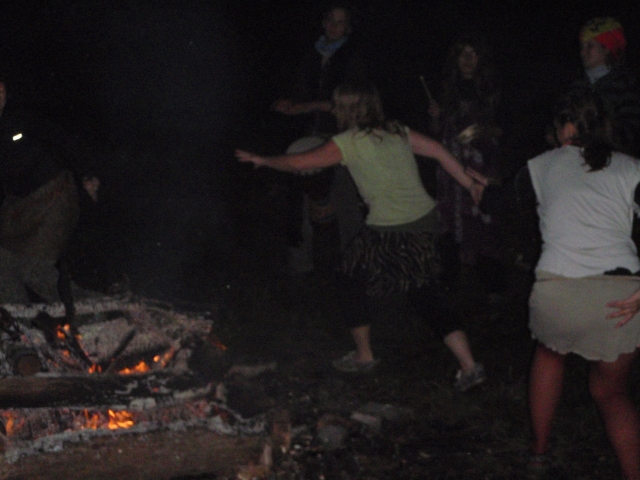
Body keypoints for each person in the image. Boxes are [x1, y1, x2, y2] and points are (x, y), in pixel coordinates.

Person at [237, 81, 486, 391]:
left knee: (374, 282)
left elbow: (300, 162)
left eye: (337, 105)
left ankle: (371, 358)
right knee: (403, 286)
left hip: (393, 228)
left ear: (347, 109)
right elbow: (437, 150)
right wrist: (469, 184)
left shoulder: (348, 141)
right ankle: (464, 365)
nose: (334, 109)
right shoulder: (396, 130)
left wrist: (263, 160)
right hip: (423, 220)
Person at [472, 90, 640, 478]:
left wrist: (482, 191)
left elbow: (496, 202)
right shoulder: (632, 168)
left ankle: (538, 454)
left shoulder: (541, 165)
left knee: (550, 355)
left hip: (560, 292)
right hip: (621, 297)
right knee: (611, 393)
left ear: (565, 127)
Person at [271, 3, 367, 274]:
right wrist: (287, 103)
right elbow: (297, 91)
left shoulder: (353, 58)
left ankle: (356, 265)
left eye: (341, 22)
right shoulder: (310, 55)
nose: (334, 26)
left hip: (342, 137)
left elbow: (350, 103)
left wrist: (305, 107)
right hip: (308, 134)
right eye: (330, 20)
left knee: (346, 201)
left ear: (348, 27)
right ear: (323, 23)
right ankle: (300, 264)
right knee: (300, 201)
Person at [0, 79, 100, 304]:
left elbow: (61, 138)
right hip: (17, 210)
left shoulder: (21, 117)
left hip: (53, 197)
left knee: (34, 268)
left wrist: (87, 174)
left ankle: (99, 310)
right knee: (3, 261)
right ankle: (17, 318)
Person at [427, 36, 505, 297]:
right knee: (449, 217)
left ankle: (491, 283)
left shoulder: (492, 90)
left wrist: (483, 130)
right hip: (451, 165)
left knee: (483, 218)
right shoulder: (447, 89)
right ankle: (449, 277)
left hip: (481, 164)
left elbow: (504, 129)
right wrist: (435, 117)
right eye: (463, 54)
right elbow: (436, 132)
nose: (468, 59)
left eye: (473, 53)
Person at [567, 17, 640, 158]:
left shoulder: (626, 85)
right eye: (582, 46)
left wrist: (594, 135)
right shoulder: (576, 84)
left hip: (614, 161)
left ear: (607, 48)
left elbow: (631, 131)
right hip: (576, 159)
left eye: (590, 46)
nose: (583, 52)